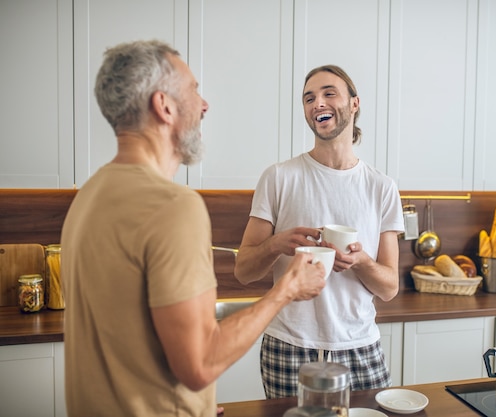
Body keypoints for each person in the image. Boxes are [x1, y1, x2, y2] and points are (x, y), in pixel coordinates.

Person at [60, 40, 326, 417]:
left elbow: (130, 337)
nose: (204, 105)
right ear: (164, 106)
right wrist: (287, 289)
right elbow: (200, 364)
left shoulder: (89, 196)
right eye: (194, 90)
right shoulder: (172, 206)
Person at [234, 65, 404, 398]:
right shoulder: (279, 178)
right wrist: (277, 245)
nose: (317, 103)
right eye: (309, 98)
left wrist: (361, 262)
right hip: (289, 345)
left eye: (329, 93)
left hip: (359, 347)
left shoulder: (381, 187)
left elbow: (389, 288)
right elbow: (243, 270)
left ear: (354, 104)